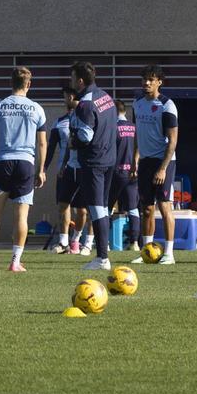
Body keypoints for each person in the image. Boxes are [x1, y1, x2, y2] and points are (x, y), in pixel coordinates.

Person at [0, 67, 47, 272]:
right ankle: (15, 262)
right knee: (21, 216)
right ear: (28, 84)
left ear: (11, 83)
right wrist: (41, 169)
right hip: (26, 163)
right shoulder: (36, 108)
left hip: (3, 162)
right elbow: (42, 143)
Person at [69, 61, 118, 272]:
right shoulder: (106, 96)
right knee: (103, 208)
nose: (71, 81)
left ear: (80, 80)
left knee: (97, 209)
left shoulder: (85, 103)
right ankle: (102, 254)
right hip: (109, 159)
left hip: (94, 161)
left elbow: (86, 136)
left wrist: (73, 141)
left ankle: (102, 258)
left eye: (72, 78)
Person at [132, 65, 179, 265]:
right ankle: (146, 252)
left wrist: (162, 168)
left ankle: (169, 253)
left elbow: (173, 140)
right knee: (146, 209)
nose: (147, 83)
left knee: (164, 206)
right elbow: (137, 133)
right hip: (145, 162)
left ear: (159, 82)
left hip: (164, 162)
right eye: (144, 79)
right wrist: (135, 159)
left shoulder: (167, 106)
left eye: (151, 79)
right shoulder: (137, 103)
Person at [46, 86, 86, 254]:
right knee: (63, 205)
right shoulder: (59, 121)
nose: (66, 99)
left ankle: (76, 240)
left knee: (83, 209)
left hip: (84, 168)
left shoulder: (86, 118)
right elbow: (50, 147)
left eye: (68, 95)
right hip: (64, 170)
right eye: (64, 96)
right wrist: (43, 169)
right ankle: (63, 242)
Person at [110, 101, 141, 254]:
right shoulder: (135, 127)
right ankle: (134, 242)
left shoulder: (113, 128)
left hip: (116, 171)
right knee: (133, 208)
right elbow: (139, 147)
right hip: (133, 172)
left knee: (106, 207)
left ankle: (106, 243)